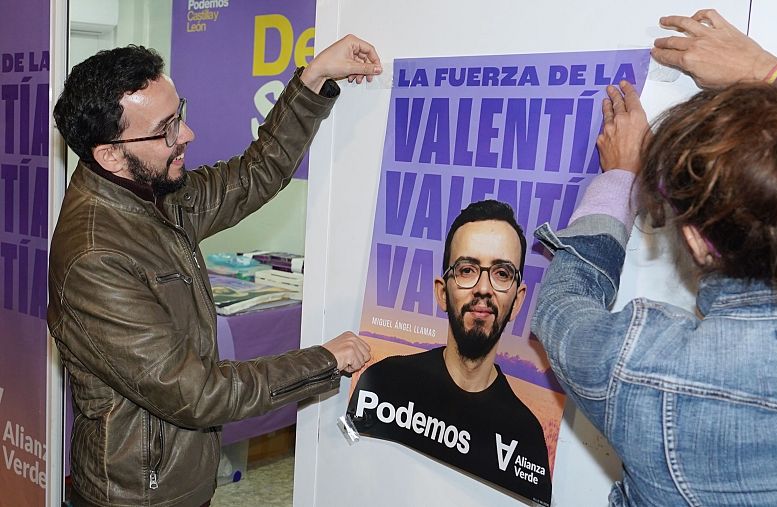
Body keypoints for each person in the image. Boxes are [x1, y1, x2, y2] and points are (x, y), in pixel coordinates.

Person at [532, 9, 777, 506]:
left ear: (700, 241)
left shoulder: (639, 369)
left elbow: (561, 306)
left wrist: (619, 177)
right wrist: (771, 73)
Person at [48, 36, 379, 507]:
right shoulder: (94, 259)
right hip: (138, 497)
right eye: (166, 129)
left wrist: (314, 77)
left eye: (178, 113)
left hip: (183, 480)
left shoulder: (153, 193)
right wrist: (323, 360)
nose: (186, 135)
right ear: (110, 155)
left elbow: (256, 172)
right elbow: (199, 392)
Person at [347, 200, 552, 506]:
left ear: (518, 301)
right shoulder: (383, 383)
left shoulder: (526, 436)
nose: (483, 288)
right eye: (467, 270)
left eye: (502, 273)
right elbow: (346, 477)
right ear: (442, 292)